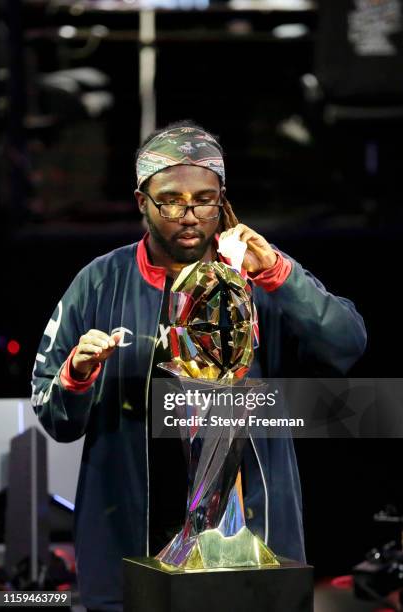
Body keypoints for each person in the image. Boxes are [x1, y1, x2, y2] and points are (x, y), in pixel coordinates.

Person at [31, 120, 367, 612]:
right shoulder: (99, 282)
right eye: (169, 199)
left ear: (222, 198)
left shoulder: (255, 272)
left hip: (250, 544)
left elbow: (347, 344)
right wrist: (77, 373)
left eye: (204, 199)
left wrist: (278, 274)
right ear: (141, 200)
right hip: (132, 534)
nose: (188, 215)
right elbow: (53, 414)